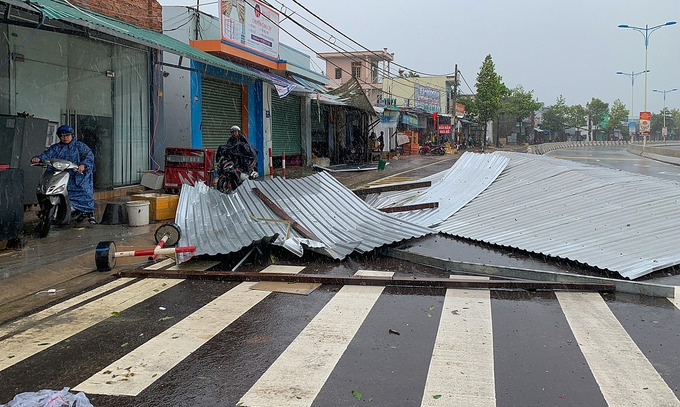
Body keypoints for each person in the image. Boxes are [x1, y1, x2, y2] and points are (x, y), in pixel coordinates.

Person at [31, 125, 96, 223]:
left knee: (84, 192)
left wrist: (83, 165)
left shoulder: (80, 146)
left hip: (76, 176)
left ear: (72, 135)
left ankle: (89, 212)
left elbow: (89, 156)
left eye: (67, 135)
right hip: (60, 175)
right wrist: (38, 158)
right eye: (62, 136)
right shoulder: (56, 148)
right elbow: (47, 154)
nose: (65, 138)